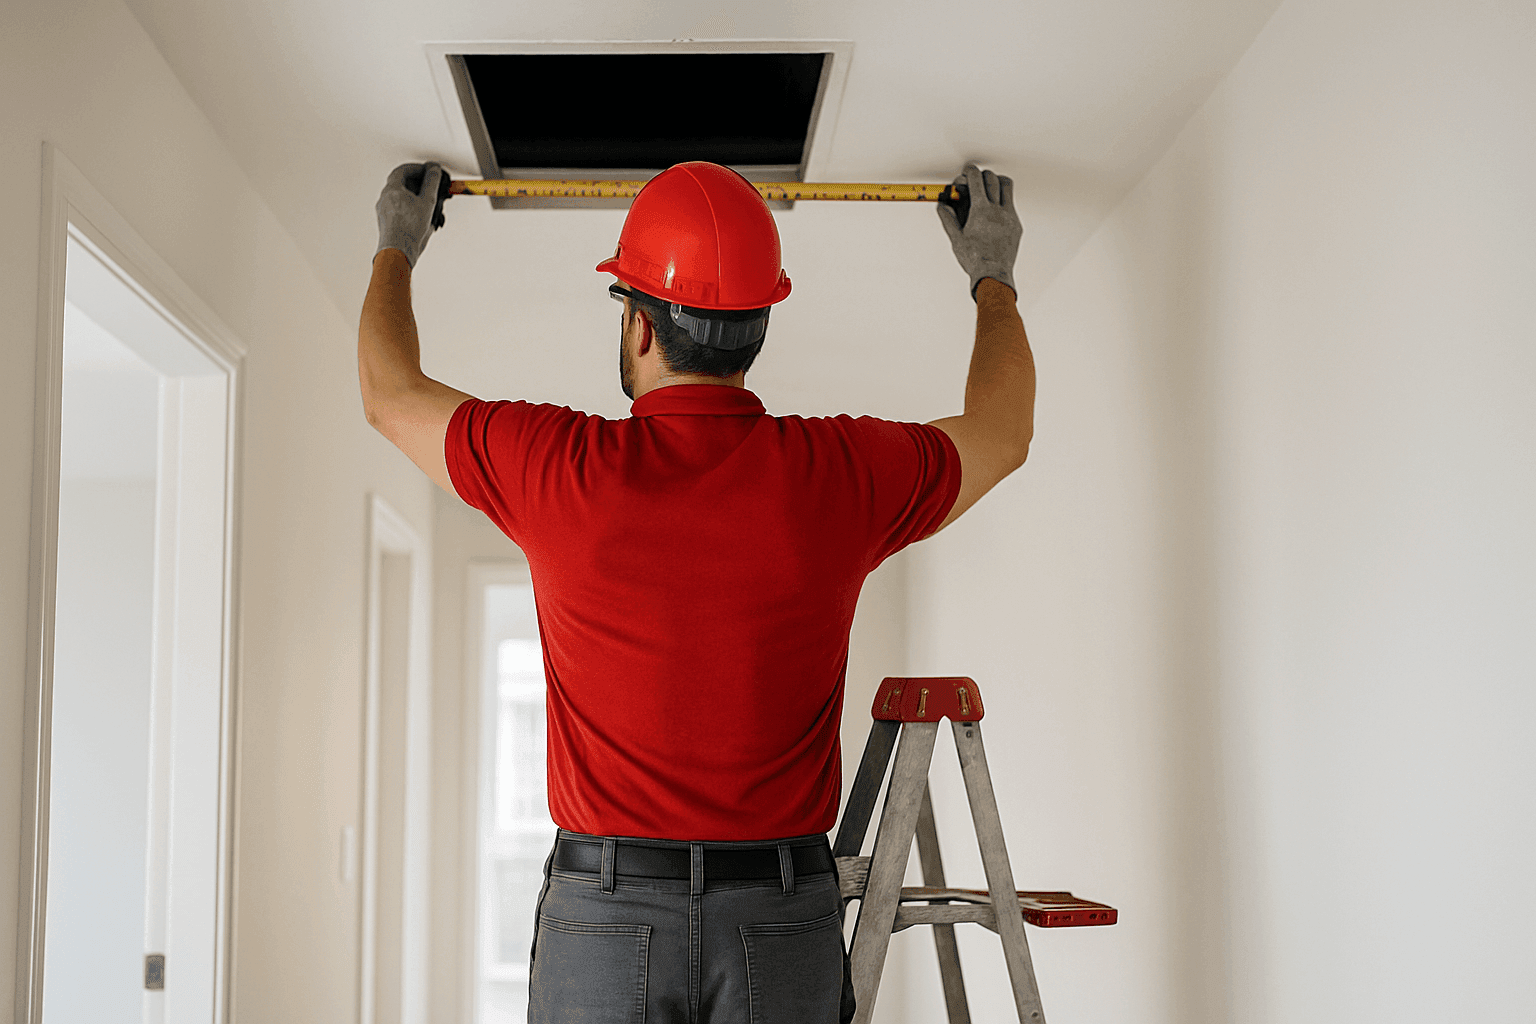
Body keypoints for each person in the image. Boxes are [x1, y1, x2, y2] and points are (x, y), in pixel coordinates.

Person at [359, 159, 1034, 1024]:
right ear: (756, 329)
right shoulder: (840, 475)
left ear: (639, 328)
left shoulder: (555, 466)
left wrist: (396, 244)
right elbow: (1003, 433)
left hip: (605, 916)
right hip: (777, 914)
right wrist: (993, 275)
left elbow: (388, 392)